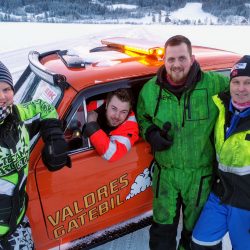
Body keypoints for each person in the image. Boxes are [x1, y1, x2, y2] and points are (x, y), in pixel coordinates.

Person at [136, 35, 229, 250]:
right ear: (164, 60)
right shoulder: (150, 90)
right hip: (166, 175)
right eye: (171, 59)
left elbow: (242, 93)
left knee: (196, 234)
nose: (176, 64)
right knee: (161, 235)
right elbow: (142, 117)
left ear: (192, 58)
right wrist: (151, 133)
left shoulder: (215, 84)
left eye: (181, 58)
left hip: (200, 176)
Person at [0, 61, 70, 249]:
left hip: (18, 222)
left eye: (6, 89)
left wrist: (54, 135)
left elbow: (43, 107)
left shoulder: (19, 115)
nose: (2, 97)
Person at [191, 55, 250, 250]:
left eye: (248, 82)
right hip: (221, 193)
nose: (241, 88)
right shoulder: (222, 109)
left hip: (247, 203)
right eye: (236, 82)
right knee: (201, 243)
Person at [82, 88, 139, 162]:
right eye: (114, 109)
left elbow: (112, 154)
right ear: (106, 105)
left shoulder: (131, 126)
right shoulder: (93, 106)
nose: (117, 116)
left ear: (129, 111)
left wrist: (92, 125)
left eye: (123, 112)